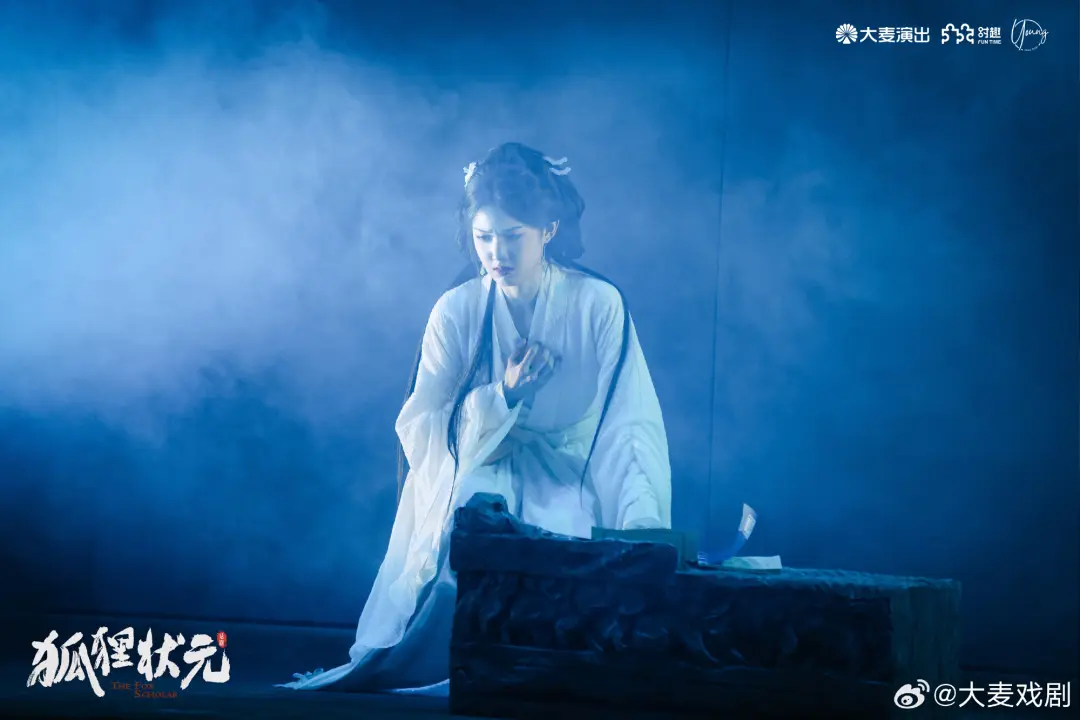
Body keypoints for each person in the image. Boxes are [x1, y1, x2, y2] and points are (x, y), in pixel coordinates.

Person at [280, 142, 671, 693]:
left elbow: (627, 429)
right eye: (484, 237)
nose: (496, 252)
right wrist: (501, 395)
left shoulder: (598, 305)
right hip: (484, 462)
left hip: (567, 471)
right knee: (471, 515)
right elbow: (421, 425)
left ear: (548, 230)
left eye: (512, 236)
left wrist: (641, 528)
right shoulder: (457, 311)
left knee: (566, 538)